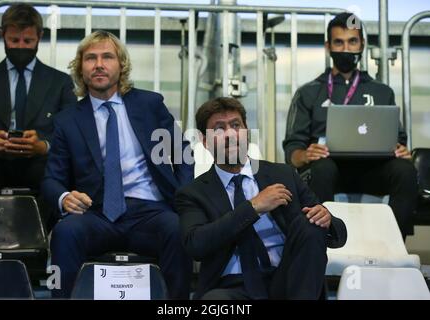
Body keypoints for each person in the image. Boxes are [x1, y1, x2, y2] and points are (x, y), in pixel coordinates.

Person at [42, 30, 194, 299]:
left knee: (176, 228)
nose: (99, 64)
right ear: (80, 68)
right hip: (95, 213)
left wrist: (184, 201)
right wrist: (64, 197)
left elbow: (182, 154)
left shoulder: (149, 104)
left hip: (150, 211)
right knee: (65, 232)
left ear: (121, 65)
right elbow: (51, 180)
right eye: (90, 58)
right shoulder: (67, 120)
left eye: (107, 57)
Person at [175, 97, 347, 300]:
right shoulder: (193, 193)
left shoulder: (283, 174)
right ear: (205, 142)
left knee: (311, 222)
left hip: (288, 280)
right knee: (216, 302)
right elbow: (196, 245)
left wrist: (327, 219)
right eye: (219, 128)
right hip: (233, 287)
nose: (230, 134)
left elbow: (338, 232)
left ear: (247, 132)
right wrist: (253, 207)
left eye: (236, 125)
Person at [283, 12, 417, 238]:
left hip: (373, 170)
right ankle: (321, 247)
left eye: (352, 41)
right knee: (323, 168)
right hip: (326, 170)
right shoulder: (308, 92)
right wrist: (304, 155)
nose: (346, 49)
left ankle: (394, 245)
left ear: (362, 44)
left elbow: (398, 139)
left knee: (405, 170)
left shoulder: (382, 92)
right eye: (339, 42)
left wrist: (400, 149)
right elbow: (292, 150)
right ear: (328, 46)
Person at [0, 3, 76, 196]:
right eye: (14, 40)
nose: (21, 47)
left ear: (40, 36)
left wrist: (44, 146)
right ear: (2, 35)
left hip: (40, 166)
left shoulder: (60, 82)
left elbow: (72, 132)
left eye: (28, 41)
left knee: (58, 168)